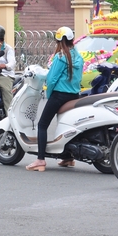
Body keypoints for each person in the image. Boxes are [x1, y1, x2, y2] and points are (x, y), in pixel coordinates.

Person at [26, 26, 83, 172]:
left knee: (42, 125)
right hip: (74, 95)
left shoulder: (61, 57)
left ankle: (40, 159)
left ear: (58, 41)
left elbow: (51, 80)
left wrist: (49, 95)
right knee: (67, 125)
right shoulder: (79, 57)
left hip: (59, 95)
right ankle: (68, 158)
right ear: (72, 40)